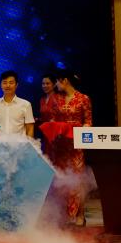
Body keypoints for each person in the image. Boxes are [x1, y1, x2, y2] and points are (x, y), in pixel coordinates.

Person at [50, 69, 93, 227]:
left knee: (78, 179)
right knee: (62, 179)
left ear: (65, 80)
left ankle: (80, 214)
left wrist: (81, 132)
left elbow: (88, 121)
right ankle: (63, 215)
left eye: (57, 81)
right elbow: (53, 119)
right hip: (61, 145)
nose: (56, 85)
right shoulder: (57, 99)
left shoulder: (83, 99)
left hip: (76, 145)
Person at [0, 70, 35, 137]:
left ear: (16, 85)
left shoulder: (26, 104)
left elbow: (30, 128)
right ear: (1, 85)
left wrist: (29, 143)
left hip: (19, 143)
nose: (8, 85)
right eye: (5, 83)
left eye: (11, 83)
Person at [37, 73, 61, 159]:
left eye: (47, 83)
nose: (45, 86)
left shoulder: (59, 98)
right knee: (46, 158)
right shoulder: (42, 99)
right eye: (43, 84)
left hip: (57, 134)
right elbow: (43, 117)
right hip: (45, 134)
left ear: (54, 85)